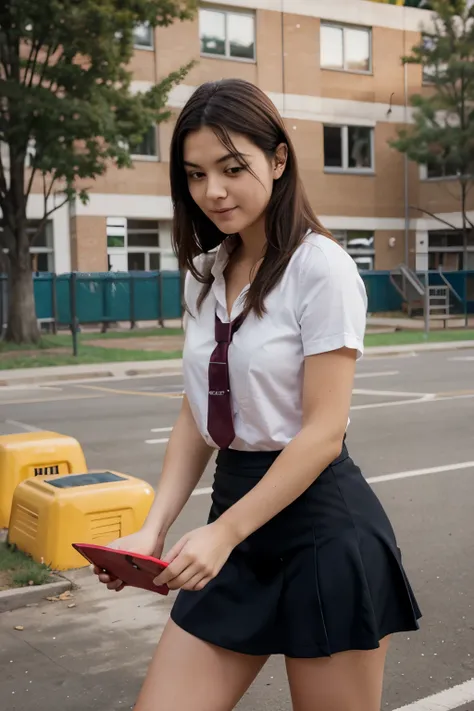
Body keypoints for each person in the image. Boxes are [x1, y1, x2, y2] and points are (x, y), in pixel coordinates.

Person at [94, 78, 421, 711]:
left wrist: (223, 534)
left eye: (232, 167)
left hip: (320, 532)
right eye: (194, 175)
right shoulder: (204, 274)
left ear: (277, 160)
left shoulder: (320, 267)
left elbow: (324, 433)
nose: (212, 191)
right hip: (232, 524)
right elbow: (198, 412)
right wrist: (152, 531)